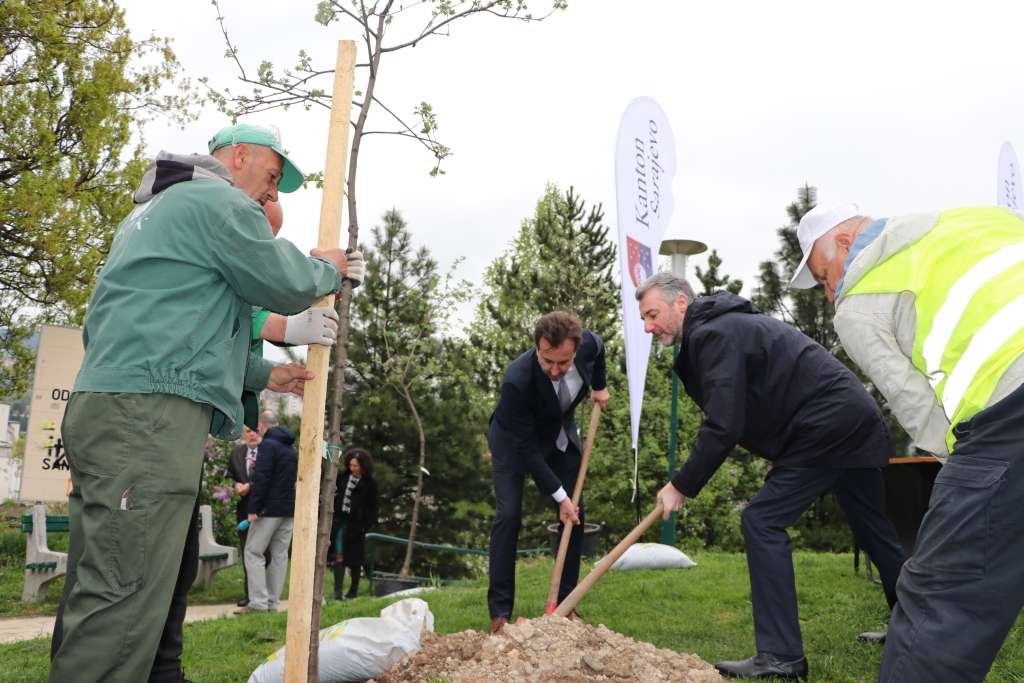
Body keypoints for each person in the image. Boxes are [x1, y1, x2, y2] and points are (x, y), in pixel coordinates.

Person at [50, 122, 364, 683]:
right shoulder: (216, 200)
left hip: (112, 406)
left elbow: (190, 337)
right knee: (126, 595)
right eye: (270, 178)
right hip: (147, 418)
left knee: (100, 584)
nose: (270, 195)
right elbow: (285, 280)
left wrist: (271, 374)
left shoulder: (154, 214)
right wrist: (329, 268)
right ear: (239, 156)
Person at [791, 203, 1024, 682]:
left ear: (844, 241)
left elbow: (915, 404)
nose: (829, 290)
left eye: (824, 275)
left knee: (939, 599)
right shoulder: (975, 217)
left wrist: (964, 473)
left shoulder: (858, 301)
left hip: (1010, 409)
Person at [639, 272, 905, 681]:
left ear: (680, 304)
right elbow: (753, 405)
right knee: (874, 531)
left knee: (761, 519)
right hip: (850, 420)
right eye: (643, 318)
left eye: (653, 314)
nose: (647, 326)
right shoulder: (725, 327)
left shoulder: (715, 334)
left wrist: (681, 484)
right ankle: (916, 627)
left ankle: (781, 655)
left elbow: (723, 424)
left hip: (827, 426)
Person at [487, 311, 610, 635]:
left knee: (575, 516)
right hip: (515, 444)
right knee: (509, 515)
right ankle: (500, 615)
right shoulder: (517, 379)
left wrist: (600, 387)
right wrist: (560, 496)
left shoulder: (588, 345)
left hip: (557, 436)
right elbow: (527, 450)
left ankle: (566, 606)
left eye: (563, 363)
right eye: (547, 362)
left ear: (574, 350)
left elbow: (599, 352)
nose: (555, 370)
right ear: (537, 349)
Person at [239, 410, 297, 613]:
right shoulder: (291, 449)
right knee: (280, 555)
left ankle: (258, 604)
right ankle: (272, 603)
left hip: (269, 510)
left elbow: (261, 479)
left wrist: (253, 509)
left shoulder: (268, 446)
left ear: (262, 426)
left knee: (253, 552)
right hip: (289, 510)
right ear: (278, 423)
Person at [330, 448, 379, 600]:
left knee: (355, 560)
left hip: (357, 526)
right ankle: (337, 592)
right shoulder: (342, 478)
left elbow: (373, 508)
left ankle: (353, 591)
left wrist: (364, 526)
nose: (353, 469)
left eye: (356, 466)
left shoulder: (370, 484)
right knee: (338, 555)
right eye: (351, 465)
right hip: (340, 522)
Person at [228, 425, 262, 607]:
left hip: (263, 511)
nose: (253, 434)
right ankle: (249, 595)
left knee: (262, 553)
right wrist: (236, 486)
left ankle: (261, 595)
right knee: (246, 551)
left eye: (256, 431)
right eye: (249, 431)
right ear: (244, 434)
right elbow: (229, 476)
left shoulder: (267, 452)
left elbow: (268, 477)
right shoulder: (236, 453)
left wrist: (250, 486)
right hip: (243, 510)